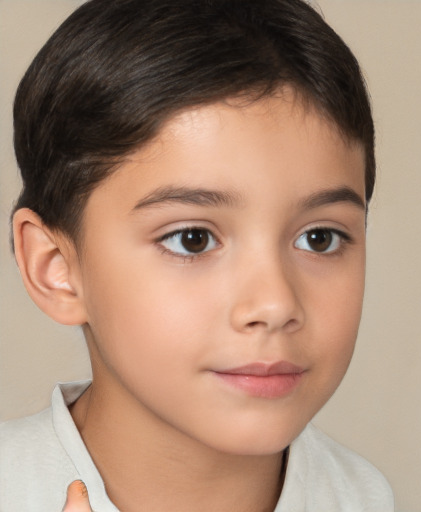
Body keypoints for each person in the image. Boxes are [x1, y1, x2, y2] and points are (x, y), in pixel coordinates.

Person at [0, 0, 394, 510]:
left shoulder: (364, 497)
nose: (275, 304)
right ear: (56, 268)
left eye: (319, 238)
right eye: (193, 239)